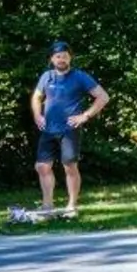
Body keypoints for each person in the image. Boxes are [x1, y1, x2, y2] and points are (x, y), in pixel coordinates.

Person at [31, 42, 110, 218]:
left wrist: (85, 116)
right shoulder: (47, 77)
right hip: (48, 129)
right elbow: (37, 97)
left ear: (70, 58)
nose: (61, 59)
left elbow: (103, 97)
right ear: (52, 59)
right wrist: (38, 115)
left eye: (65, 56)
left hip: (69, 129)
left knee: (70, 166)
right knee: (42, 167)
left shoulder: (80, 77)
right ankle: (47, 207)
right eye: (58, 56)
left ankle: (72, 206)